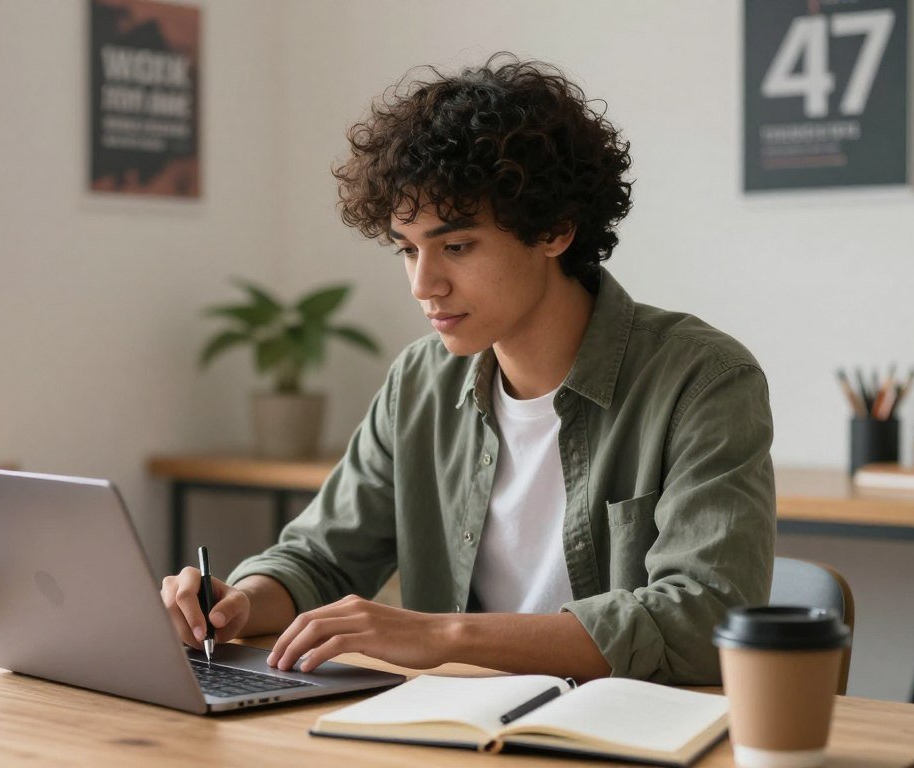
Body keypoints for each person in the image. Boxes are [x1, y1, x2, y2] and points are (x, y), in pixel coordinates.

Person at [160, 53, 775, 685]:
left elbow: (705, 620)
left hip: (627, 734)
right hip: (453, 730)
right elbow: (321, 557)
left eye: (456, 246)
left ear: (556, 228)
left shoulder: (702, 378)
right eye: (408, 250)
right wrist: (238, 602)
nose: (424, 285)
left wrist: (441, 636)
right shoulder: (420, 382)